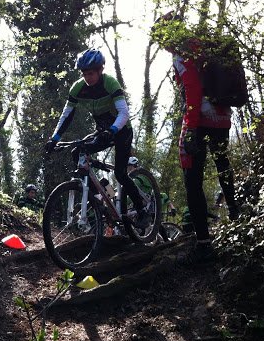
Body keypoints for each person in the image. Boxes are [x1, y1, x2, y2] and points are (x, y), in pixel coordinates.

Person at [152, 13, 240, 263]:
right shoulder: (204, 44)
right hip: (222, 116)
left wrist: (190, 127)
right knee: (224, 167)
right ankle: (237, 219)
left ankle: (203, 243)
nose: (162, 44)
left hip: (198, 121)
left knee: (192, 178)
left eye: (162, 38)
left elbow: (192, 89)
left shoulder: (182, 54)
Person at [44, 48, 151, 230]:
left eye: (91, 73)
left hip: (122, 130)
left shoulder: (110, 83)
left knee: (120, 173)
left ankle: (142, 210)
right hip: (102, 131)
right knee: (77, 151)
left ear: (100, 70)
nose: (88, 77)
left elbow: (124, 113)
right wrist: (55, 138)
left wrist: (113, 129)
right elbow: (67, 115)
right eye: (85, 74)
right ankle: (98, 199)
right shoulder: (78, 88)